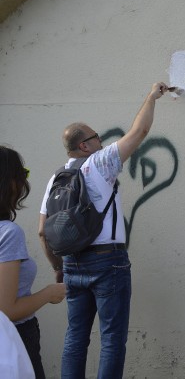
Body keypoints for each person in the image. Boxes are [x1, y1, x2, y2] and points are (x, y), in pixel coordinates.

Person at [37, 82, 170, 379]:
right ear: (85, 145)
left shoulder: (56, 178)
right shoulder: (98, 164)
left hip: (71, 263)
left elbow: (42, 232)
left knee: (75, 338)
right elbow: (139, 133)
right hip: (108, 263)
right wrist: (151, 97)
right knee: (111, 340)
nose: (101, 140)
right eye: (96, 137)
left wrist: (59, 267)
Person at [0, 146, 67, 379]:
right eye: (23, 174)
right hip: (13, 339)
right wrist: (50, 293)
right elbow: (7, 310)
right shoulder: (8, 233)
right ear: (10, 182)